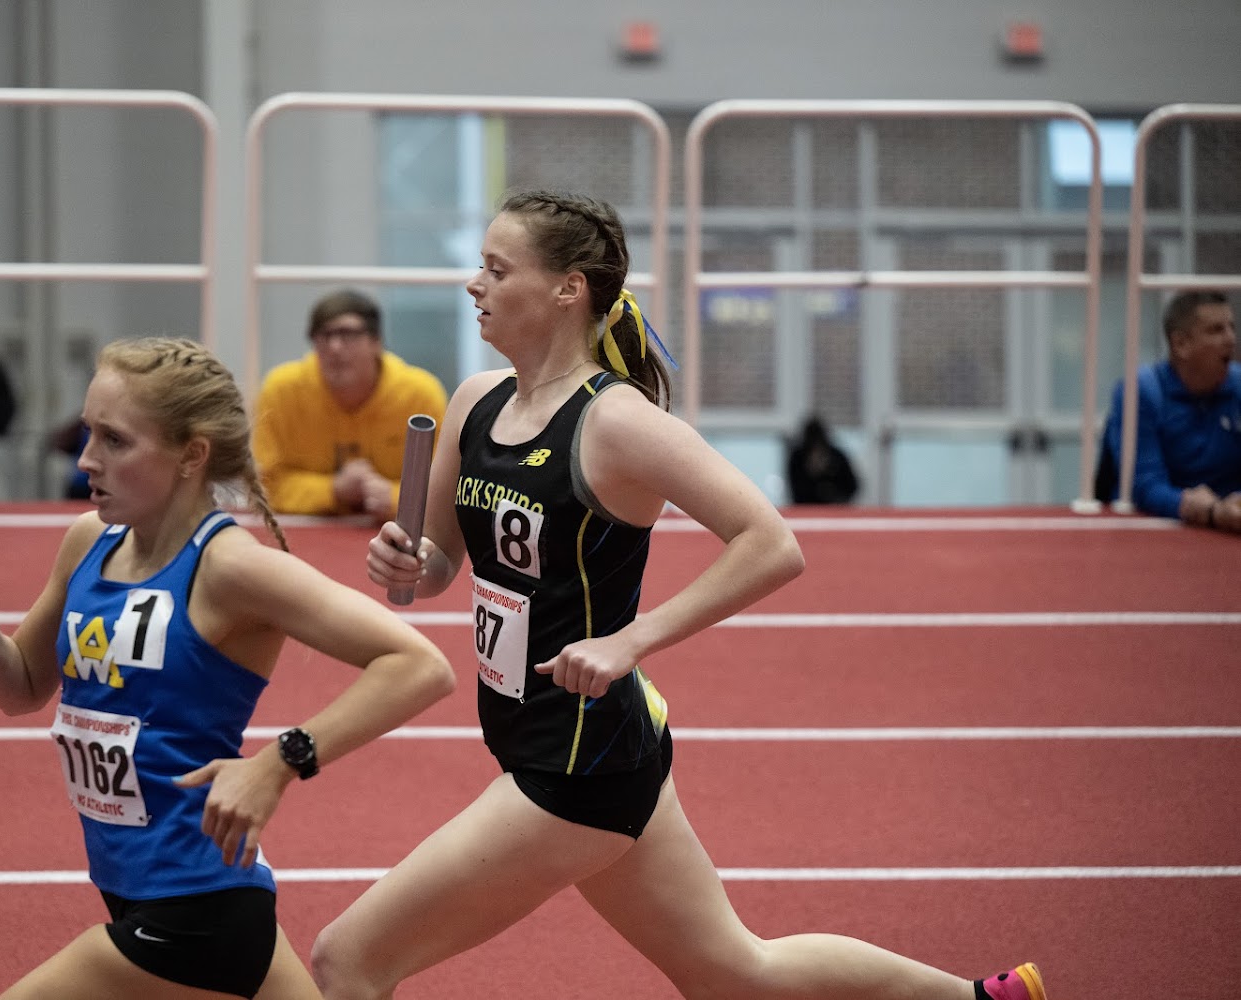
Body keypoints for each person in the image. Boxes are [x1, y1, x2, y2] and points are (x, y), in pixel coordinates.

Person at [311, 190, 1045, 1000]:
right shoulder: (474, 403)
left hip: (577, 765)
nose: (473, 284)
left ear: (568, 289)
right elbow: (442, 562)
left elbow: (771, 543)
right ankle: (981, 999)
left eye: (497, 268)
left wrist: (631, 641)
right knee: (737, 977)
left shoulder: (616, 423)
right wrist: (408, 563)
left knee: (348, 960)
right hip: (572, 740)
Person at [0, 336, 455, 1000]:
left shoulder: (231, 567)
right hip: (136, 888)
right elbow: (21, 686)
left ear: (191, 455)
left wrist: (278, 762)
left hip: (198, 912)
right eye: (89, 433)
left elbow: (419, 665)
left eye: (115, 441)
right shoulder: (89, 542)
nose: (87, 459)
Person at [251, 289, 447, 522]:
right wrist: (333, 490)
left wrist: (395, 498)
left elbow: (444, 487)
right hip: (306, 532)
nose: (334, 347)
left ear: (376, 341)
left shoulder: (420, 395)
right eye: (324, 335)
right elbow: (264, 486)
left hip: (396, 532)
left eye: (348, 334)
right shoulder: (281, 391)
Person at [1096, 289, 1240, 532]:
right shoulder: (1141, 392)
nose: (1231, 339)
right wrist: (1208, 511)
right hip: (1154, 533)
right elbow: (1144, 484)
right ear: (1181, 344)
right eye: (1216, 330)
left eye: (1231, 328)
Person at [786, 413, 860, 504]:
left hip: (834, 508)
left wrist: (828, 475)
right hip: (806, 508)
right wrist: (812, 473)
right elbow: (795, 490)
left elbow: (852, 486)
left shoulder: (837, 457)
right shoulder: (797, 458)